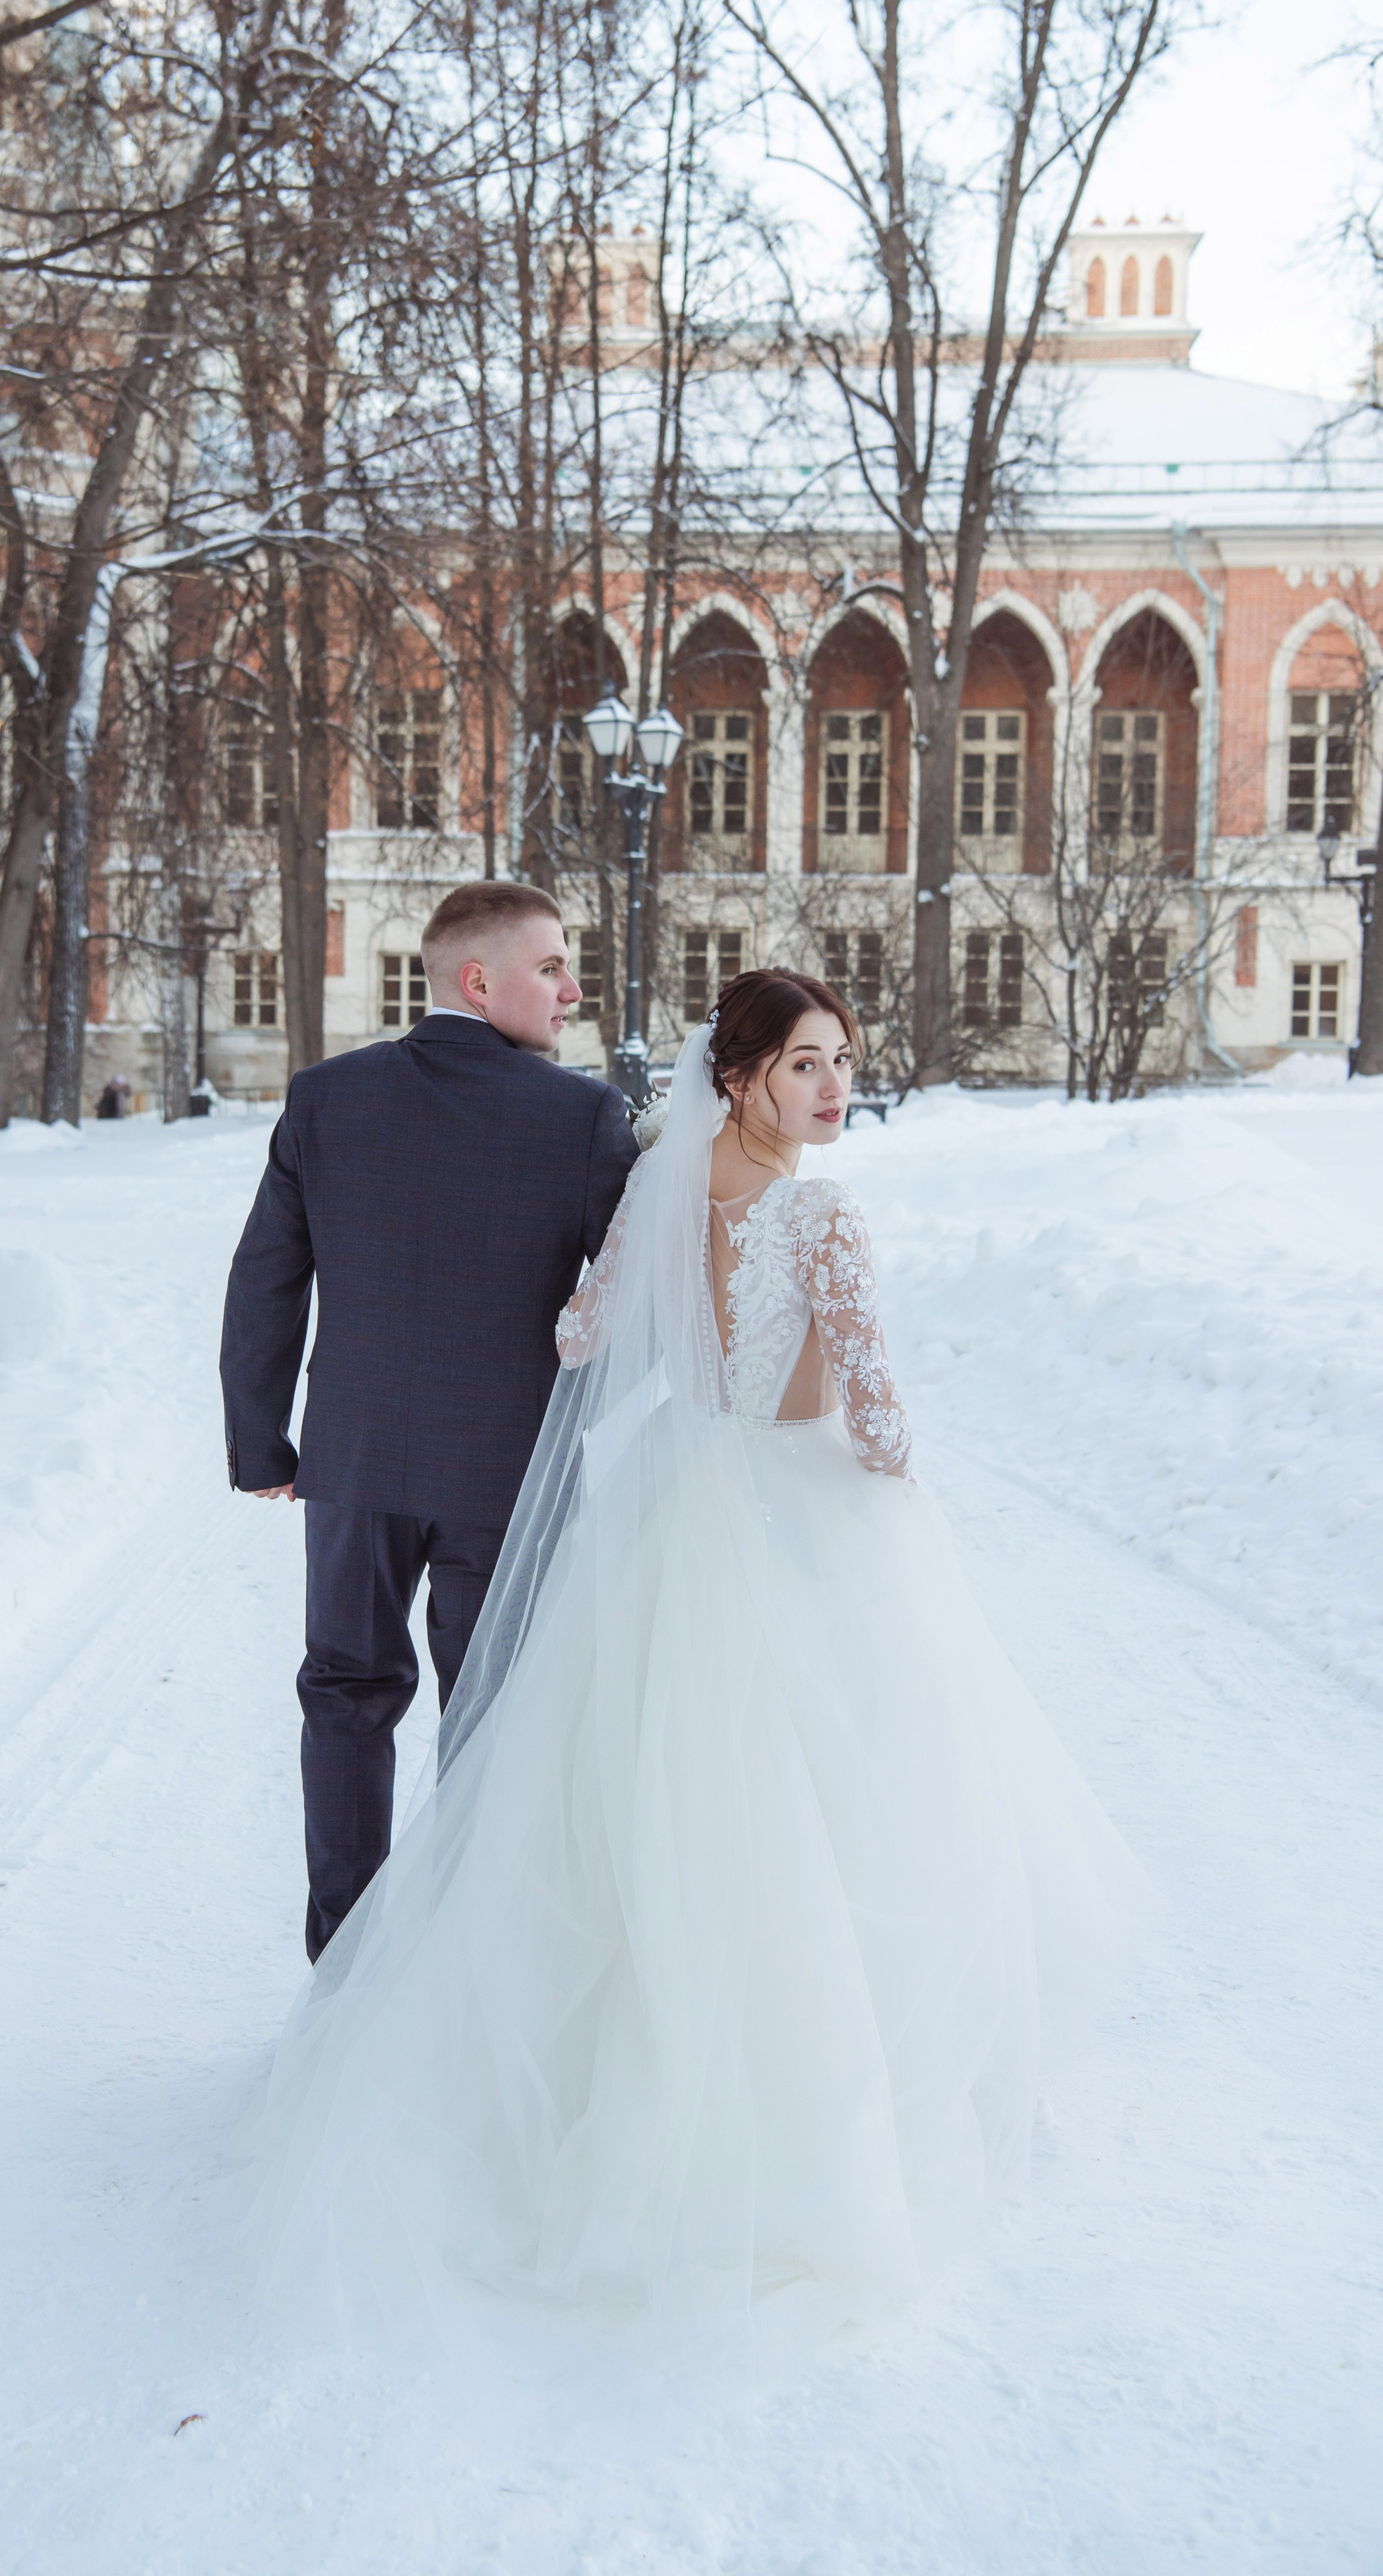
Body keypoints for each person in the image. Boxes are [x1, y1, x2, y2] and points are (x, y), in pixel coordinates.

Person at [240, 970, 1147, 2342]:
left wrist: (697, 1354)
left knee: (646, 1786)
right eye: (802, 1064)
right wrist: (867, 1449)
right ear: (739, 1076)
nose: (831, 1086)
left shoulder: (663, 1184)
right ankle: (820, 2083)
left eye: (840, 1059)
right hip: (792, 1501)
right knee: (839, 1782)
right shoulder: (820, 1210)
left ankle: (602, 2077)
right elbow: (868, 1412)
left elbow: (579, 1337)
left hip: (675, 1494)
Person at [219, 882, 638, 1962]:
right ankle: (466, 1981)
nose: (571, 987)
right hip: (508, 1475)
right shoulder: (580, 1117)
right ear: (477, 980)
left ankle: (345, 1970)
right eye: (551, 966)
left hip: (355, 1466)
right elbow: (630, 1308)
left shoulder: (326, 1098)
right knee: (493, 1717)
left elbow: (266, 1278)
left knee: (346, 1700)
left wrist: (263, 1441)